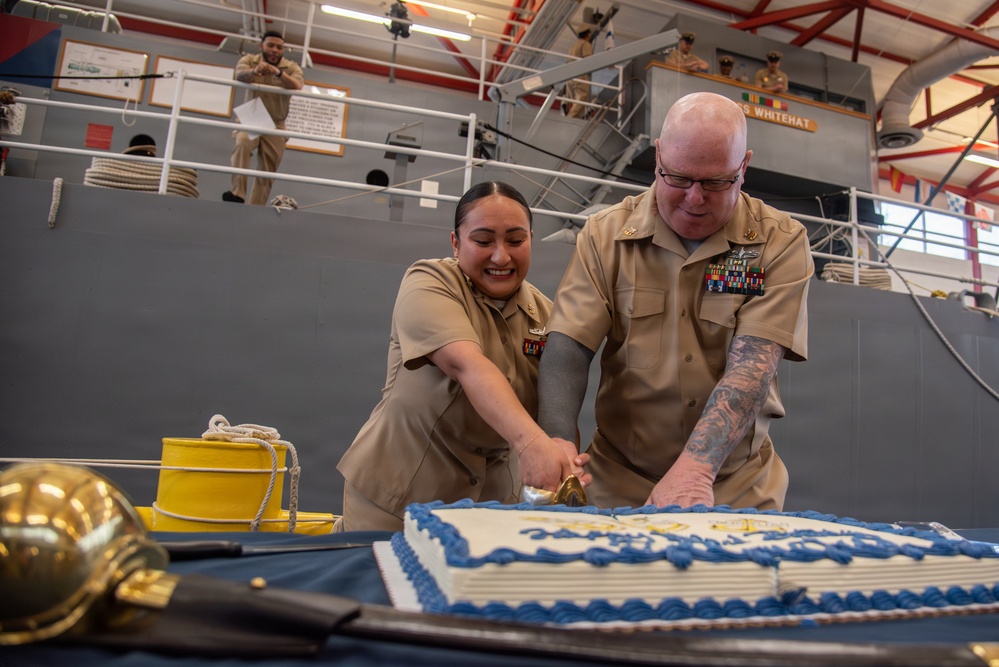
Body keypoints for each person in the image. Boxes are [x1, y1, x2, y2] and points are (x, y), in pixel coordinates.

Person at [536, 92, 812, 512]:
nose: (694, 198)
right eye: (678, 178)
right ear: (658, 157)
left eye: (716, 182)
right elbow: (569, 347)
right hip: (619, 475)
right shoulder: (604, 236)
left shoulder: (780, 241)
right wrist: (557, 439)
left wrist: (696, 469)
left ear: (744, 168)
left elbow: (752, 368)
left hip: (735, 483)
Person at [336, 182, 590, 532]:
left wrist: (563, 457)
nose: (501, 257)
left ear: (531, 239)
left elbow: (556, 405)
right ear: (456, 243)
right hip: (400, 498)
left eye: (516, 241)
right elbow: (468, 366)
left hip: (490, 507)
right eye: (483, 241)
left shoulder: (547, 316)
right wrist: (532, 445)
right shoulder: (429, 282)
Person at [222, 30, 304, 205]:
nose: (275, 50)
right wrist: (255, 71)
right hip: (253, 116)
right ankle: (237, 194)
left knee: (268, 169)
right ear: (262, 46)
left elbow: (297, 85)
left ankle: (255, 206)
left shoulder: (291, 67)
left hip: (277, 122)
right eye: (271, 45)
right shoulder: (249, 60)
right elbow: (239, 75)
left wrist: (278, 73)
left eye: (279, 47)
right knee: (242, 143)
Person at [564, 28, 593, 119]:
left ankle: (576, 119)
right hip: (580, 74)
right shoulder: (585, 44)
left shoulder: (573, 46)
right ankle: (570, 117)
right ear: (587, 35)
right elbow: (588, 60)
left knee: (575, 100)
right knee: (582, 96)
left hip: (569, 74)